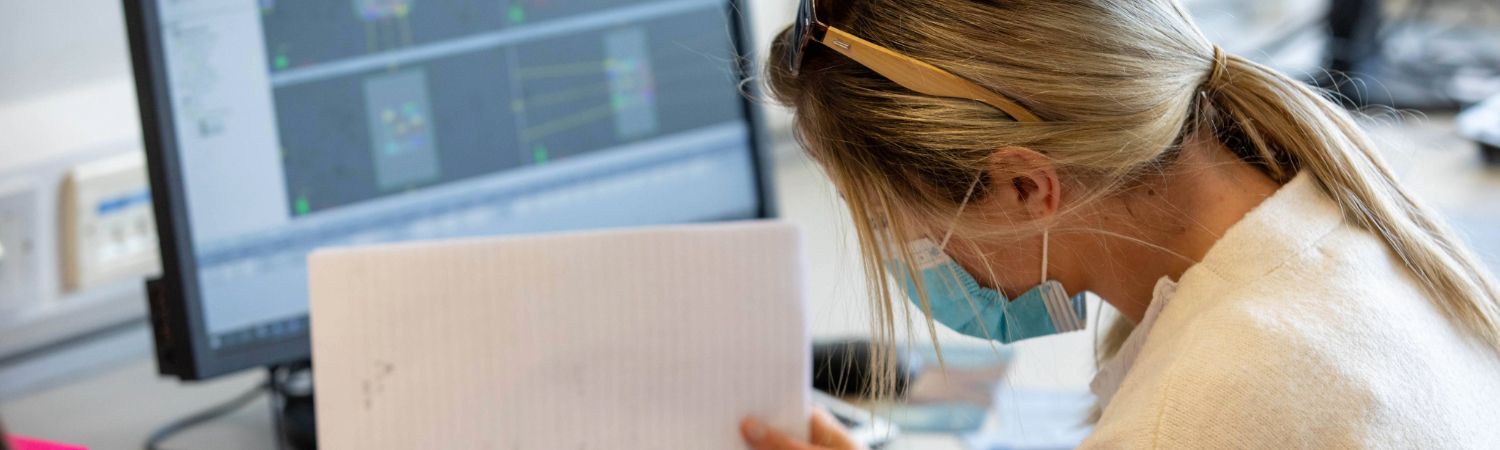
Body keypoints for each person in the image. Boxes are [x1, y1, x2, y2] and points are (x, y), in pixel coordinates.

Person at [738, 0, 1500, 448]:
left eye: (881, 217)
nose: (895, 253)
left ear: (1024, 186)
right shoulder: (1327, 211)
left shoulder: (1198, 407)